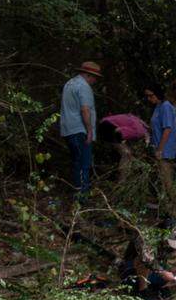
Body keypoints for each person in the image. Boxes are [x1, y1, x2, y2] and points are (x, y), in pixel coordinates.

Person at [125, 222, 176, 300]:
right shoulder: (146, 237)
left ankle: (161, 285)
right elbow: (147, 259)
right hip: (134, 271)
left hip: (158, 269)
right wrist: (162, 272)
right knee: (142, 260)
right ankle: (142, 290)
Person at [60, 61, 101, 202]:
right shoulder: (84, 87)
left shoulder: (69, 84)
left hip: (68, 129)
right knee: (84, 164)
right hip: (80, 130)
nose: (95, 80)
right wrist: (89, 131)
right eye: (95, 77)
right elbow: (85, 109)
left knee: (76, 162)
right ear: (89, 75)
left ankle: (78, 196)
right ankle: (82, 199)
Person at [145, 84, 176, 206]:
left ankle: (173, 207)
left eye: (151, 95)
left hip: (165, 148)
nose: (149, 98)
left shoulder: (166, 106)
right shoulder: (158, 106)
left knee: (167, 178)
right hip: (157, 146)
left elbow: (167, 129)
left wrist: (160, 149)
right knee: (161, 178)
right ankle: (165, 205)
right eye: (147, 96)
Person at [97, 113, 147, 182]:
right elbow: (119, 131)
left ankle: (123, 177)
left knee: (128, 153)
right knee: (126, 153)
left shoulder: (136, 120)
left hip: (106, 124)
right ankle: (122, 180)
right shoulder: (139, 131)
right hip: (108, 127)